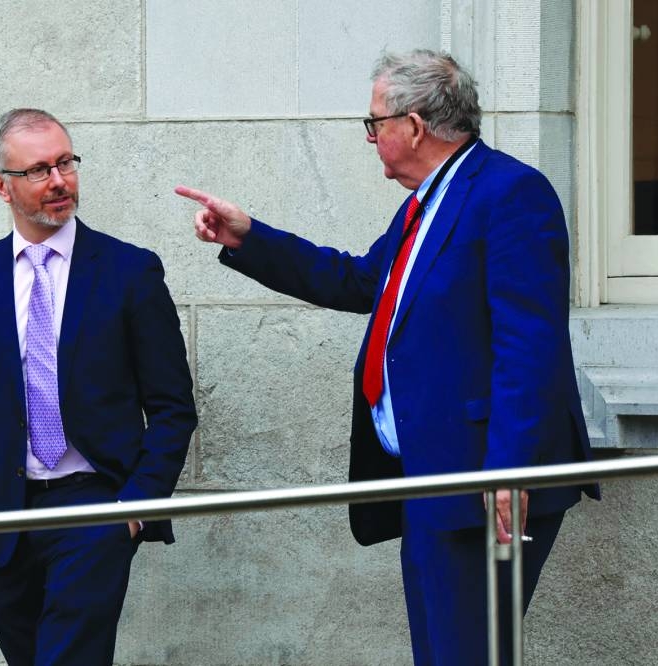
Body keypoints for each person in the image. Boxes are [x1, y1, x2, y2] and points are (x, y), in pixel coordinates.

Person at [176, 49, 598, 665]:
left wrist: (507, 473)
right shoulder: (428, 201)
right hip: (426, 475)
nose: (371, 137)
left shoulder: (510, 194)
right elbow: (358, 281)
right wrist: (249, 237)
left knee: (466, 653)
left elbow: (529, 349)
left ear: (415, 125)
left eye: (374, 123)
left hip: (479, 480)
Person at [0, 108, 196, 665]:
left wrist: (132, 508)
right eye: (39, 170)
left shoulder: (129, 271)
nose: (60, 180)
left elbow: (172, 407)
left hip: (95, 509)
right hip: (4, 520)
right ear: (2, 186)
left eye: (66, 162)